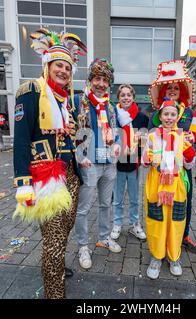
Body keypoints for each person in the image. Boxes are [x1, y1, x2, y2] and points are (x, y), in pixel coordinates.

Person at [12, 28, 87, 299]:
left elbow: (72, 138)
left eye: (67, 67)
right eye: (59, 65)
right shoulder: (31, 92)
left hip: (70, 175)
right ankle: (54, 293)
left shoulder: (69, 101)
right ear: (47, 64)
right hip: (45, 176)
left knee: (63, 231)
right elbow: (20, 141)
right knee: (54, 240)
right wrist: (23, 183)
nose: (64, 71)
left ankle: (53, 265)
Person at [74, 58, 122, 270]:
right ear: (90, 80)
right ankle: (83, 245)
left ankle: (104, 237)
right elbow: (68, 132)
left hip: (109, 163)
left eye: (105, 80)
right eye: (97, 79)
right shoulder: (78, 102)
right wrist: (78, 154)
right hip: (89, 164)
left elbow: (117, 131)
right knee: (83, 208)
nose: (101, 84)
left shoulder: (111, 108)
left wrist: (118, 144)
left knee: (106, 204)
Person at [148, 59, 196, 254]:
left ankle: (180, 239)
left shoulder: (190, 114)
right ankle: (159, 249)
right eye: (169, 87)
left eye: (176, 88)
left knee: (181, 207)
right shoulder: (155, 125)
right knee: (158, 213)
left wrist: (191, 142)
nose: (172, 90)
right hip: (159, 174)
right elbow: (148, 148)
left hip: (180, 172)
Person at [142, 99, 196, 279]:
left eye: (173, 114)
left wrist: (190, 155)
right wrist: (148, 159)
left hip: (176, 185)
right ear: (160, 116)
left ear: (177, 117)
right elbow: (143, 161)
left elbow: (189, 166)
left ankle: (174, 256)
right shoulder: (151, 136)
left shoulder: (184, 137)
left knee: (176, 221)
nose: (169, 117)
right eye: (166, 114)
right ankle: (157, 257)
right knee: (156, 221)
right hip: (156, 184)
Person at [110, 84, 148, 241]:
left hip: (134, 164)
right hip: (117, 164)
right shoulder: (113, 116)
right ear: (118, 98)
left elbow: (145, 143)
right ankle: (117, 224)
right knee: (117, 198)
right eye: (122, 95)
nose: (125, 97)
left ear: (133, 97)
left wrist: (140, 144)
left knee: (134, 198)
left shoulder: (142, 117)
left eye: (128, 95)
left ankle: (135, 224)